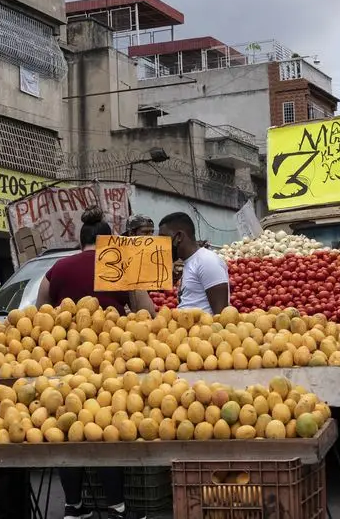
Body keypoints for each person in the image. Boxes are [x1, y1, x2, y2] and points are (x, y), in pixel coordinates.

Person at [36, 207, 153, 519]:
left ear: (81, 241)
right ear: (109, 242)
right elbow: (148, 311)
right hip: (110, 361)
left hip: (65, 359)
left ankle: (73, 506)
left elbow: (39, 317)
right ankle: (116, 506)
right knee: (108, 422)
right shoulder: (118, 264)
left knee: (69, 425)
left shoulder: (56, 269)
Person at [158, 212, 230, 315]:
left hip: (204, 330)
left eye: (163, 239)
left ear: (179, 237)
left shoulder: (207, 261)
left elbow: (222, 315)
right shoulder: (190, 262)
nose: (161, 246)